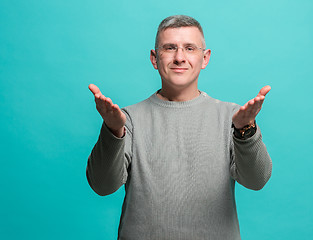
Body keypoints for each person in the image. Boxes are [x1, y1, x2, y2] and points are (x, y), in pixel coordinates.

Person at [86, 15, 272, 240]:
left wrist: (246, 132)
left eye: (190, 48)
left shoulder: (232, 117)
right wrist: (113, 131)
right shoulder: (128, 120)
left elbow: (256, 180)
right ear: (155, 59)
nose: (179, 57)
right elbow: (102, 186)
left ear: (205, 58)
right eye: (170, 48)